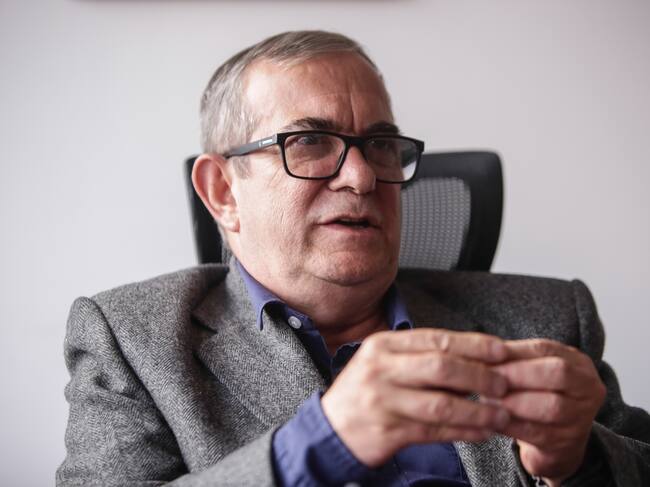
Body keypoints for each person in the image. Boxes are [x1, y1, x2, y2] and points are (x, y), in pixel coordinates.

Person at [57, 31, 650, 487]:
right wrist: (318, 444)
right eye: (309, 142)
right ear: (223, 192)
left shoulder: (547, 318)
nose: (362, 177)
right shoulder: (133, 341)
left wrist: (579, 462)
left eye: (380, 145)